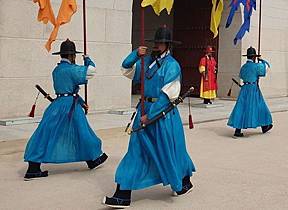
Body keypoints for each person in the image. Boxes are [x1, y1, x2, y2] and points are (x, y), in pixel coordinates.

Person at [103, 27, 195, 208]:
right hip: (144, 109)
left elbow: (168, 96)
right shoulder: (148, 63)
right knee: (136, 151)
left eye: (160, 43)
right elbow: (126, 69)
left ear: (167, 45)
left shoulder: (172, 65)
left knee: (171, 151)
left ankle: (184, 182)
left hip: (163, 116)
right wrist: (136, 54)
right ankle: (122, 194)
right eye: (156, 43)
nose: (157, 46)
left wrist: (150, 116)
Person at [23, 39, 107, 180]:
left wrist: (81, 101)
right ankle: (92, 159)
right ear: (72, 56)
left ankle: (33, 167)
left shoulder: (57, 70)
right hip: (70, 107)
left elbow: (68, 90)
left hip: (58, 104)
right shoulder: (71, 69)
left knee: (44, 133)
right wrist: (88, 59)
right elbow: (91, 71)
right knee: (83, 132)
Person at [227, 47, 273, 137]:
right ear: (254, 57)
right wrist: (262, 61)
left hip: (244, 88)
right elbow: (267, 68)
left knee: (241, 108)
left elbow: (241, 76)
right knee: (260, 106)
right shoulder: (256, 66)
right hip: (253, 89)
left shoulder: (243, 67)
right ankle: (265, 126)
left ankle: (237, 130)